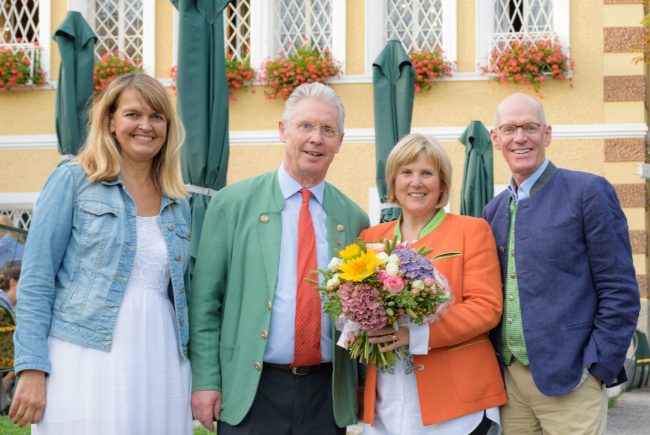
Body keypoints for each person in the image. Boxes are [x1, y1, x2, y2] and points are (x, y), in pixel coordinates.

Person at [9, 73, 192, 434]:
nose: (146, 126)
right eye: (133, 114)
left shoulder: (178, 201)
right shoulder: (74, 180)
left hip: (160, 353)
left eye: (157, 117)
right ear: (109, 120)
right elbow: (36, 280)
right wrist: (31, 366)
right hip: (82, 353)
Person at [190, 82, 369, 434]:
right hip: (251, 391)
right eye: (305, 126)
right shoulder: (232, 204)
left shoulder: (354, 219)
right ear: (282, 130)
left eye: (327, 130)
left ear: (340, 142)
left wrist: (362, 384)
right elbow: (204, 302)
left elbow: (359, 314)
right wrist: (206, 380)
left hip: (325, 395)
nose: (316, 138)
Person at [483, 93, 641, 434]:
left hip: (573, 378)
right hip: (510, 384)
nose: (520, 137)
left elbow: (620, 289)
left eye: (530, 127)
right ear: (496, 138)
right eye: (509, 129)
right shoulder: (492, 211)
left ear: (548, 134)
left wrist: (598, 367)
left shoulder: (588, 191)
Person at [359, 133, 507, 434]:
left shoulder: (472, 230)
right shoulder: (371, 238)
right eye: (407, 172)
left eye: (427, 173)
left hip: (456, 404)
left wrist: (414, 334)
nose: (416, 182)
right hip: (386, 398)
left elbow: (486, 308)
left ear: (442, 183)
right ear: (393, 181)